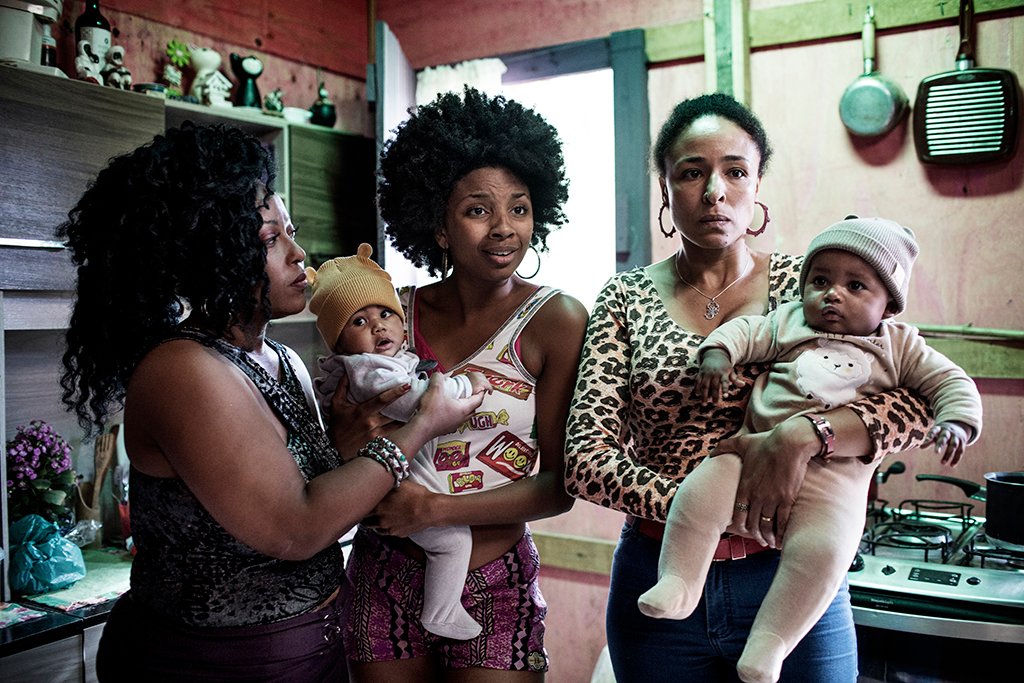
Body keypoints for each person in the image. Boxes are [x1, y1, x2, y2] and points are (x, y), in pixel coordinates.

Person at [56, 122, 483, 682]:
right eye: (269, 240)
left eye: (292, 232)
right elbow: (296, 527)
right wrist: (421, 427)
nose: (299, 253)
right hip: (213, 666)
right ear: (213, 253)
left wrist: (346, 446)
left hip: (309, 650)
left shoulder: (282, 360)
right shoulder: (183, 370)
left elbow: (306, 483)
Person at [564, 93, 935, 683]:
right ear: (665, 188)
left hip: (791, 570)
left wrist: (804, 435)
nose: (715, 191)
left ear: (756, 185)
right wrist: (706, 510)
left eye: (735, 171)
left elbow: (915, 399)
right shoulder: (624, 298)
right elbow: (584, 457)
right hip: (660, 569)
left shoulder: (810, 282)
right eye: (691, 172)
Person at [637, 216, 983, 682]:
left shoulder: (899, 345)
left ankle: (771, 642)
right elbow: (746, 333)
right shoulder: (789, 319)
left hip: (834, 485)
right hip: (750, 455)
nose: (833, 293)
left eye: (856, 285)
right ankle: (679, 579)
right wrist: (717, 352)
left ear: (888, 303)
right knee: (699, 492)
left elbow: (946, 382)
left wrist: (956, 421)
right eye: (820, 281)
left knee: (823, 552)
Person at [340, 87, 589, 681]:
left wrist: (436, 507)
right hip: (384, 572)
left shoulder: (557, 321)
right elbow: (343, 441)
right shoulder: (389, 315)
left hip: (495, 580)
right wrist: (350, 433)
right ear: (441, 227)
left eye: (520, 208)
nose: (504, 229)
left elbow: (557, 487)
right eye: (478, 210)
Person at [305, 242, 494, 640]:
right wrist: (466, 384)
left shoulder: (385, 363)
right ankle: (441, 612)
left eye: (386, 313)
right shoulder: (368, 371)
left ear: (403, 323)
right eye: (358, 322)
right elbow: (419, 401)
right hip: (386, 487)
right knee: (453, 540)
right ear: (338, 344)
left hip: (386, 477)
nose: (377, 326)